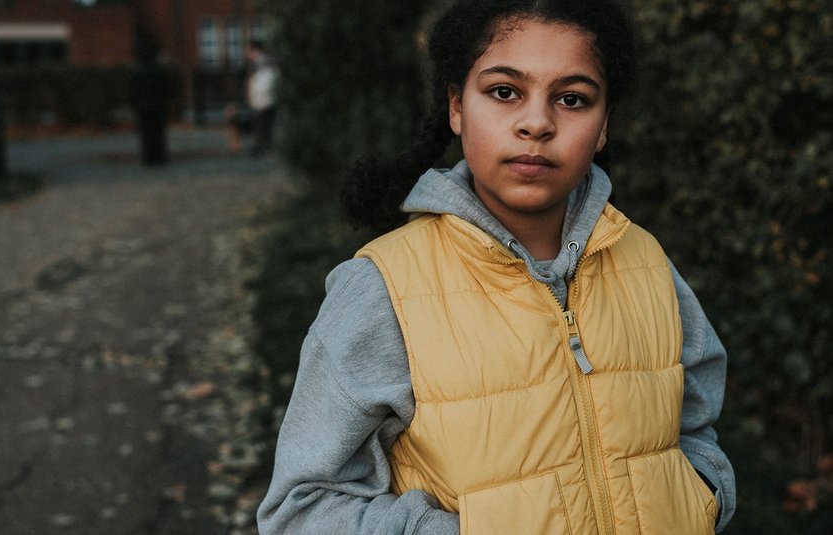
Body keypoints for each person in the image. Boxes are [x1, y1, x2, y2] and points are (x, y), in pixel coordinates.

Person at [258, 0, 736, 533]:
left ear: (604, 127)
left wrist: (701, 494)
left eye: (572, 99)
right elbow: (302, 509)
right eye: (505, 92)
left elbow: (693, 422)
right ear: (456, 108)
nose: (537, 122)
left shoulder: (644, 260)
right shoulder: (384, 287)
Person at [244, 39, 278, 156]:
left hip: (262, 99)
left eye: (248, 50)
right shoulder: (270, 61)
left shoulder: (260, 63)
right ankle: (264, 148)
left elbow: (258, 82)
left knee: (261, 125)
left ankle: (259, 148)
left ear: (254, 50)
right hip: (267, 98)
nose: (246, 53)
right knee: (266, 125)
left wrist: (253, 97)